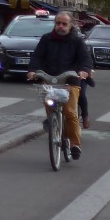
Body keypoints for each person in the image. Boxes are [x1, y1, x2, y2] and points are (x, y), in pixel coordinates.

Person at [27, 12, 92, 160]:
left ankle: (75, 144)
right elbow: (37, 56)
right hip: (49, 81)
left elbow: (85, 59)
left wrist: (84, 71)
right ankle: (55, 129)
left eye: (64, 24)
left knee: (70, 112)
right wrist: (32, 71)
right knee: (50, 110)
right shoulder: (46, 39)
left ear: (71, 26)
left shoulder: (77, 41)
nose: (60, 26)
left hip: (70, 81)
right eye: (58, 23)